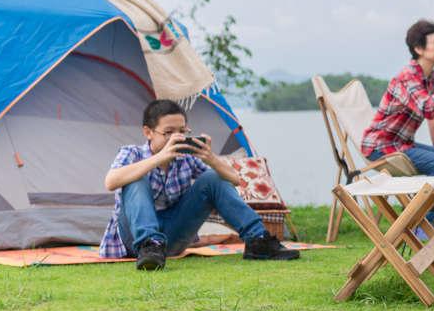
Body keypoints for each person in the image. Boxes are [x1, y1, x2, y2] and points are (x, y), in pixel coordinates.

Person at [101, 99, 300, 270]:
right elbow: (110, 181)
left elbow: (235, 180)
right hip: (134, 238)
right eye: (168, 132)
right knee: (135, 176)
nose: (176, 137)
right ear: (148, 132)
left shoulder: (186, 157)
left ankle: (259, 242)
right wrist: (160, 157)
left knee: (213, 177)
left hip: (172, 235)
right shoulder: (132, 152)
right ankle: (149, 244)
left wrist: (211, 158)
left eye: (182, 131)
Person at [361, 19, 434, 238]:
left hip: (402, 143)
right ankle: (421, 224)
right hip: (381, 146)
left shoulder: (432, 77)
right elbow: (429, 109)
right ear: (419, 49)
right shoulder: (407, 77)